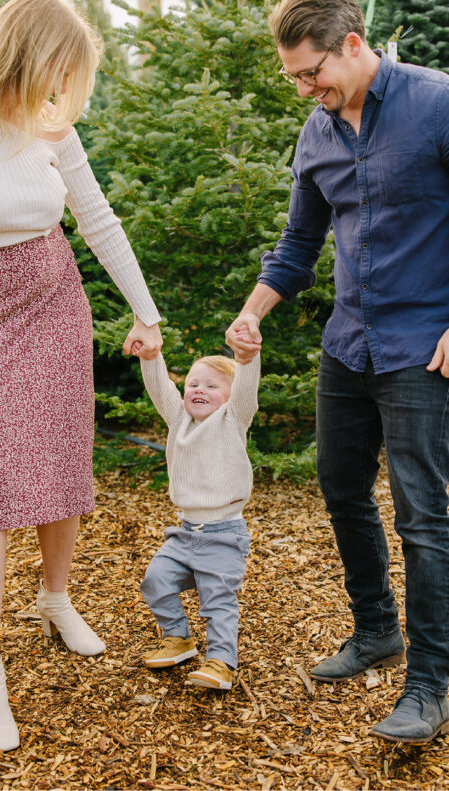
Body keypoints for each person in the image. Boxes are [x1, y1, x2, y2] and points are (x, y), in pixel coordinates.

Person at [0, 0, 162, 751]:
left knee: (64, 459)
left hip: (56, 300)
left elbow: (97, 219)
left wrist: (145, 312)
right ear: (29, 57)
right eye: (61, 75)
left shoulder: (50, 124)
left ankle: (55, 597)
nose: (65, 93)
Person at [225, 0, 449, 744]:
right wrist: (253, 311)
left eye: (311, 74)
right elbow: (296, 244)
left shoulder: (437, 102)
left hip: (423, 347)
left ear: (352, 45)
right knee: (341, 487)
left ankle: (430, 684)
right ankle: (377, 629)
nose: (303, 90)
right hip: (348, 343)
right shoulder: (316, 132)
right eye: (293, 78)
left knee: (422, 515)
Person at [138, 345, 260, 691]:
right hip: (184, 533)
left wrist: (247, 356)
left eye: (210, 386)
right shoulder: (179, 421)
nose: (199, 391)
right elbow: (160, 387)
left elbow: (247, 386)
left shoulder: (234, 418)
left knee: (216, 599)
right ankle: (178, 639)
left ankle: (221, 661)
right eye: (193, 384)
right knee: (156, 580)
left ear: (230, 396)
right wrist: (150, 355)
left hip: (224, 534)